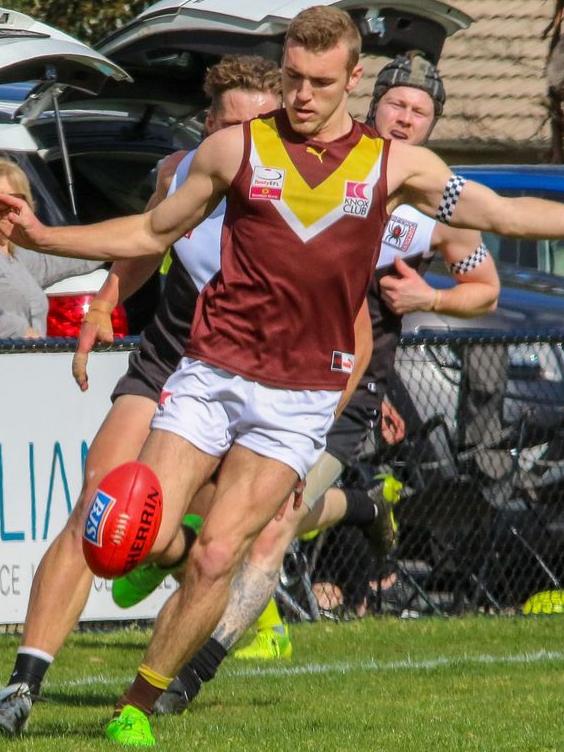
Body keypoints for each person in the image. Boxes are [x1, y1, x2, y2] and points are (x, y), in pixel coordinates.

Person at [0, 6, 560, 746]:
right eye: (293, 77)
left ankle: (139, 701)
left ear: (353, 79)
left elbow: (502, 212)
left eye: (320, 82)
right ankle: (66, 643)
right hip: (210, 373)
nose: (302, 94)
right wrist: (44, 235)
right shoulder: (235, 151)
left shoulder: (397, 168)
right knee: (141, 537)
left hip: (298, 399)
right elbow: (151, 231)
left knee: (221, 554)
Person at [129, 49, 500, 710]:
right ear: (370, 101)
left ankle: (189, 676)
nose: (407, 119)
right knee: (230, 515)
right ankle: (362, 505)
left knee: (270, 529)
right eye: (398, 106)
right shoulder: (317, 164)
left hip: (349, 392)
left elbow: (487, 290)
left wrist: (433, 301)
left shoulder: (430, 205)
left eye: (422, 112)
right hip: (271, 372)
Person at [0, 55, 290, 739]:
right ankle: (21, 685)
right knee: (98, 504)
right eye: (230, 122)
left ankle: (173, 554)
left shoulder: (303, 191)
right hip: (169, 359)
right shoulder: (179, 170)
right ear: (209, 122)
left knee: (204, 541)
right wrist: (105, 299)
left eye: (259, 124)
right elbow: (147, 236)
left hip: (258, 378)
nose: (242, 138)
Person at [0, 158, 101, 338]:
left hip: (32, 362)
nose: (7, 210)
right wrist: (20, 332)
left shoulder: (19, 256)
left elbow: (68, 255)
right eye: (1, 203)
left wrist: (123, 245)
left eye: (15, 201)